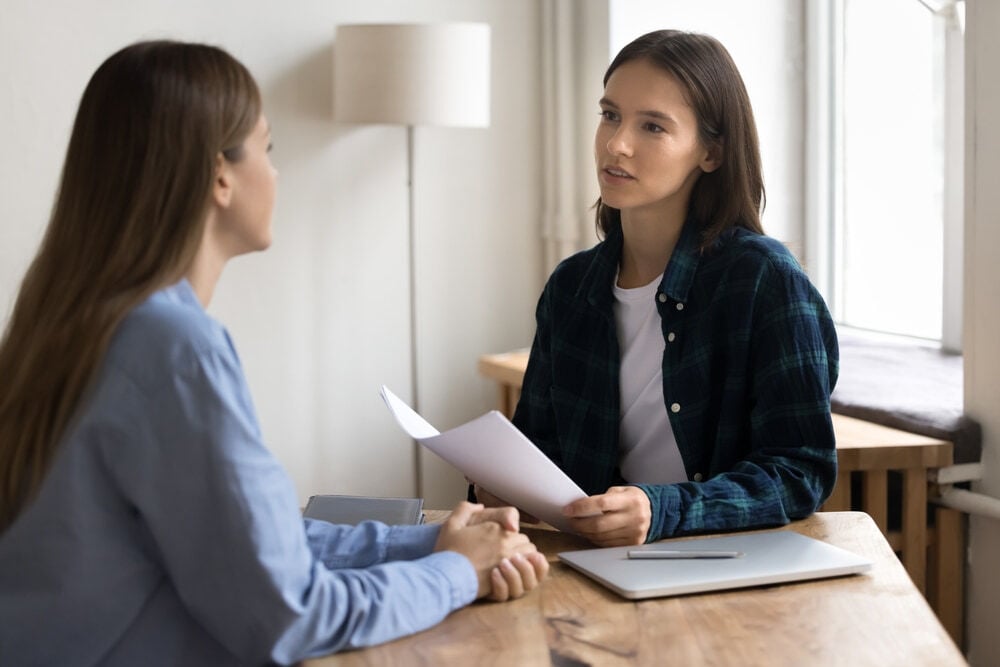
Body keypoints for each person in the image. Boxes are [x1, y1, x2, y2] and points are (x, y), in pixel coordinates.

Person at [0, 40, 548, 666]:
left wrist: (428, 544)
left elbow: (249, 542)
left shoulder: (72, 318)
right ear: (220, 176)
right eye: (268, 147)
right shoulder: (174, 348)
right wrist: (456, 574)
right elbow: (288, 614)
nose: (277, 172)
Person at [474, 29, 838, 547]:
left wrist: (662, 509)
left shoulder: (763, 279)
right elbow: (540, 450)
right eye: (610, 115)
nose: (617, 144)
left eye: (653, 126)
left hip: (721, 565)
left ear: (710, 152)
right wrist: (502, 487)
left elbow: (802, 472)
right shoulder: (572, 288)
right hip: (595, 563)